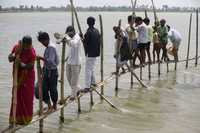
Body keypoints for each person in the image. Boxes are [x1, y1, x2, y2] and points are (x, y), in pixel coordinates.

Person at [8, 36, 36, 125]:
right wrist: (13, 57)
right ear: (23, 44)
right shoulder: (17, 48)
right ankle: (15, 118)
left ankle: (26, 119)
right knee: (16, 95)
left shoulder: (32, 52)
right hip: (17, 76)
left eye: (29, 45)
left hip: (27, 78)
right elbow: (10, 58)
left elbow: (31, 66)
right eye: (26, 46)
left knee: (27, 97)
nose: (28, 47)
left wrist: (21, 64)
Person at [37, 32, 59, 110]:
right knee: (42, 88)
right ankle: (49, 104)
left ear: (47, 40)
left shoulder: (51, 47)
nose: (42, 44)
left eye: (43, 42)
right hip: (46, 70)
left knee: (53, 89)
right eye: (41, 42)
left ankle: (54, 105)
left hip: (52, 71)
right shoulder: (49, 47)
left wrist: (41, 58)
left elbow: (51, 61)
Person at [81, 16, 101, 93]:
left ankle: (87, 86)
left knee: (87, 70)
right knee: (91, 68)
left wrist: (81, 38)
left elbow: (85, 42)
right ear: (94, 23)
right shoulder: (97, 30)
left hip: (90, 53)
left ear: (87, 23)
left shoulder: (89, 32)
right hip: (96, 52)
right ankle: (93, 82)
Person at [64, 26, 82, 100]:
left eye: (69, 33)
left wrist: (67, 38)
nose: (68, 35)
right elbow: (70, 47)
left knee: (74, 80)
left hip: (76, 63)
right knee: (68, 78)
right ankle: (78, 89)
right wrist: (67, 57)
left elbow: (73, 44)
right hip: (69, 62)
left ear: (73, 31)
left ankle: (73, 95)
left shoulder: (77, 37)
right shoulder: (70, 38)